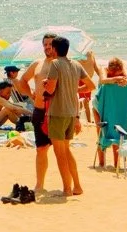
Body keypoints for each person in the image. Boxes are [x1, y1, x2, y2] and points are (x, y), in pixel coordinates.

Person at [45, 35, 94, 196]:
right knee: (67, 150)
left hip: (58, 112)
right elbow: (91, 85)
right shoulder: (76, 64)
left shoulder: (55, 64)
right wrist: (74, 89)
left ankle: (67, 188)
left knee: (60, 154)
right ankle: (77, 186)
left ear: (54, 49)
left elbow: (51, 90)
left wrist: (46, 84)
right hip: (72, 113)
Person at [16, 33, 56, 195]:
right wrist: (31, 94)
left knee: (62, 150)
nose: (47, 47)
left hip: (57, 112)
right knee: (41, 149)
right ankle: (39, 184)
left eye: (50, 44)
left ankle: (68, 185)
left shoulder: (61, 64)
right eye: (45, 44)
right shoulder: (38, 64)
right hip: (39, 111)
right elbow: (22, 81)